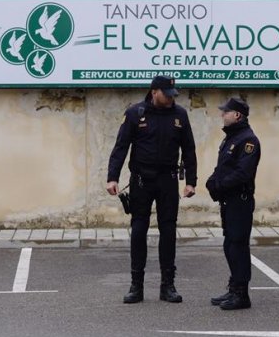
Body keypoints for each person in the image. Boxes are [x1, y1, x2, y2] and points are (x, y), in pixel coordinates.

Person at [106, 75, 197, 304]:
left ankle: (168, 286)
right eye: (166, 94)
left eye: (172, 95)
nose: (170, 98)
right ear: (154, 91)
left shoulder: (180, 115)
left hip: (168, 180)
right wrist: (112, 177)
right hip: (141, 181)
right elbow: (121, 146)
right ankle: (136, 286)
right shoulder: (135, 113)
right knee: (139, 230)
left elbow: (189, 149)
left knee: (168, 232)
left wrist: (191, 182)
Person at [206, 97, 261, 310]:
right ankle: (234, 287)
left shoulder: (248, 141)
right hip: (229, 200)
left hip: (240, 200)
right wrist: (212, 181)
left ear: (237, 115)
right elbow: (223, 168)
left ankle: (242, 294)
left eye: (225, 112)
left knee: (238, 245)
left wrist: (219, 186)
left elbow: (242, 173)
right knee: (230, 244)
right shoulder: (231, 138)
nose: (222, 114)